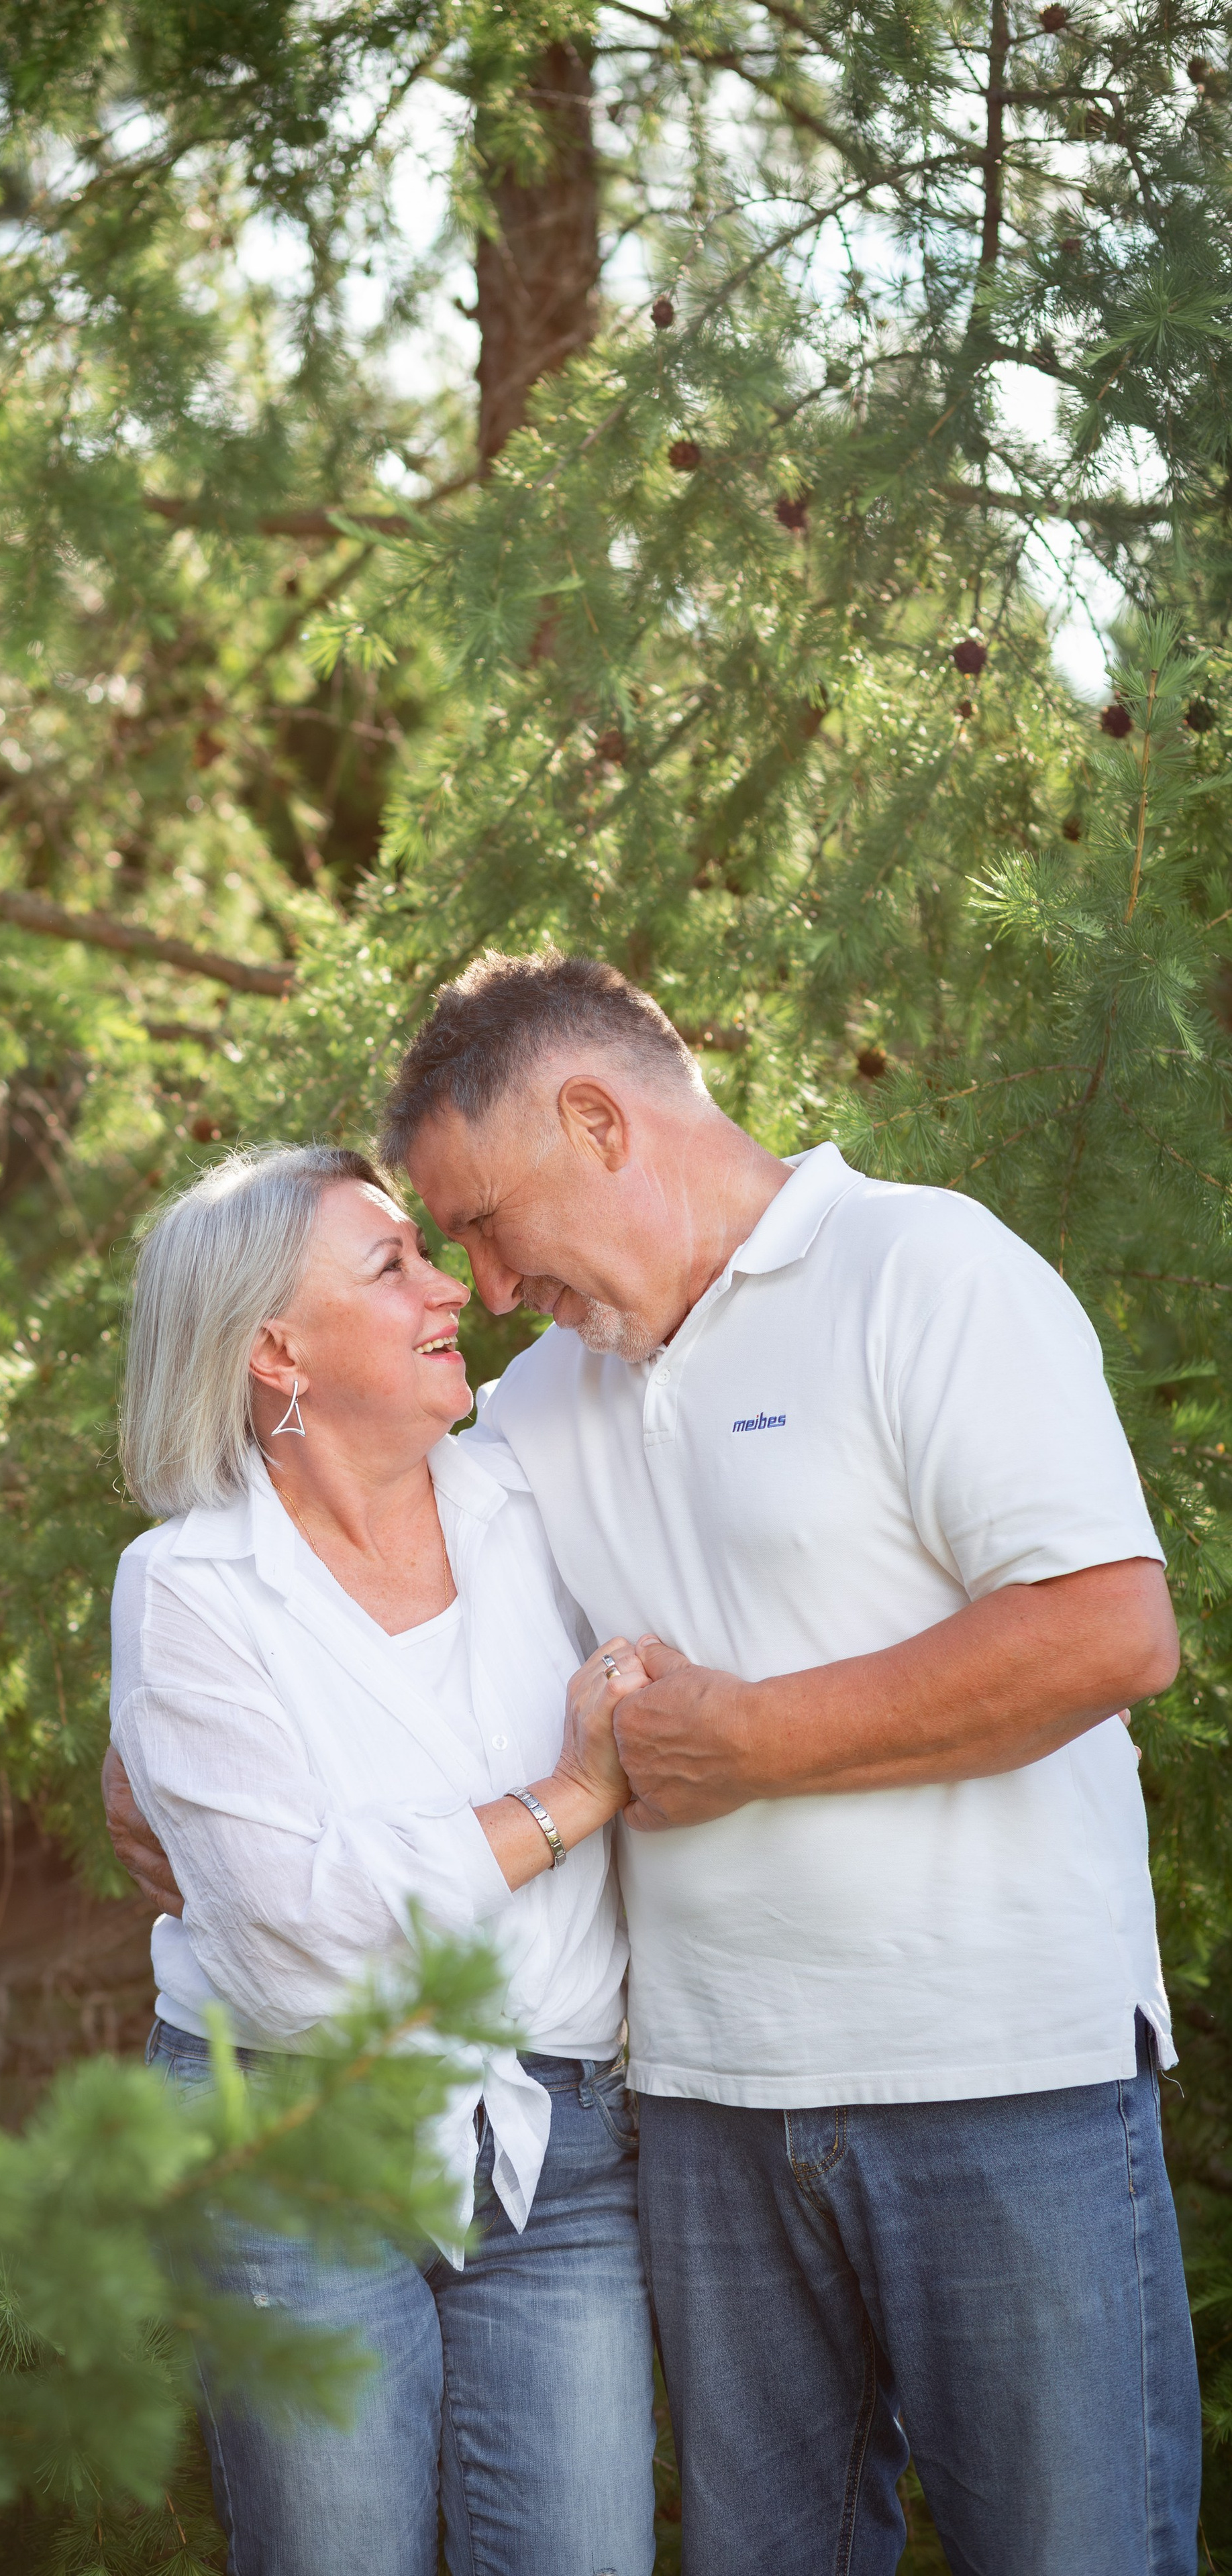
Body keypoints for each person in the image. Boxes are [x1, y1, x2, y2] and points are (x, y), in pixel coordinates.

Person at [374, 949, 1197, 2576]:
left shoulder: (924, 1269)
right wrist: (193, 1731)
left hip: (1000, 2078)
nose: (479, 1287)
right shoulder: (537, 1408)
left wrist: (749, 1739)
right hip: (704, 2107)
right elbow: (379, 1613)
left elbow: (1110, 1634)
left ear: (599, 1121)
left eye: (482, 1221)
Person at [106, 1141, 658, 2576]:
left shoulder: (528, 1501)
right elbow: (305, 1934)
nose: (448, 1290)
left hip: (560, 2149)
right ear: (275, 1351)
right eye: (391, 1265)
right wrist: (567, 1800)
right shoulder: (188, 1588)